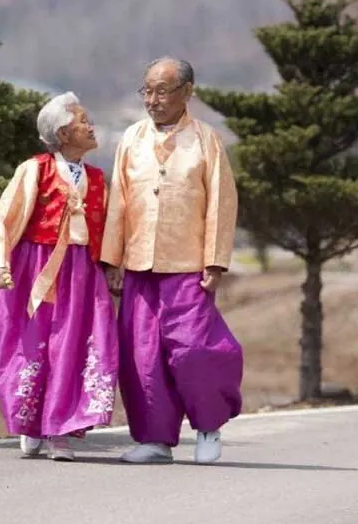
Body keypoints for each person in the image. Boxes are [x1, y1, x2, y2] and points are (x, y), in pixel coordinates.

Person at [101, 57, 243, 465]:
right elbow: (119, 203)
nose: (152, 99)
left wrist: (215, 261)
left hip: (188, 265)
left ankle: (208, 427)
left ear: (187, 92)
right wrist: (113, 260)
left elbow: (221, 201)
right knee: (141, 356)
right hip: (139, 265)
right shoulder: (130, 138)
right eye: (146, 90)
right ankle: (154, 439)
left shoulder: (206, 140)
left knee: (195, 350)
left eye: (162, 90)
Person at [0, 92, 118, 462]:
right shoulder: (35, 170)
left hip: (81, 273)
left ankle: (60, 429)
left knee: (74, 346)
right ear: (62, 134)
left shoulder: (96, 178)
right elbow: (6, 218)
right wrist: (0, 264)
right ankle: (32, 422)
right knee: (33, 344)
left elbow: (106, 229)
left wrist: (112, 268)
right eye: (82, 121)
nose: (91, 127)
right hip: (36, 269)